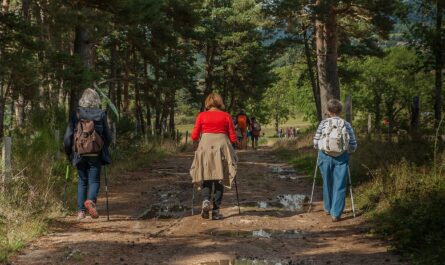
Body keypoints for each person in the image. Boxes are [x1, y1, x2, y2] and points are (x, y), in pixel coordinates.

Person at [64, 88, 113, 220]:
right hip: (95, 154)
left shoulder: (77, 113)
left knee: (82, 181)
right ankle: (90, 201)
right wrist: (104, 149)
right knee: (94, 180)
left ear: (83, 99)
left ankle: (80, 212)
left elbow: (68, 136)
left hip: (80, 154)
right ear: (96, 100)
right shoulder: (101, 114)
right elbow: (108, 137)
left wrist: (69, 153)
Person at [190, 92, 238, 220]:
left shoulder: (201, 116)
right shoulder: (226, 116)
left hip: (205, 145)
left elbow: (194, 136)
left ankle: (205, 201)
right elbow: (233, 137)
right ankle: (216, 211)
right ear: (220, 102)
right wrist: (234, 145)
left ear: (207, 103)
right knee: (219, 179)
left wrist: (196, 143)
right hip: (221, 146)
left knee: (206, 176)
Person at [313, 99, 357, 222]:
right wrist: (348, 151)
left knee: (327, 182)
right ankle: (336, 214)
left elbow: (315, 143)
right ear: (340, 111)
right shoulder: (346, 124)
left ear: (328, 111)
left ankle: (327, 207)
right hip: (342, 157)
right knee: (340, 184)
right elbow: (353, 145)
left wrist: (320, 147)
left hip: (324, 156)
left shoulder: (323, 123)